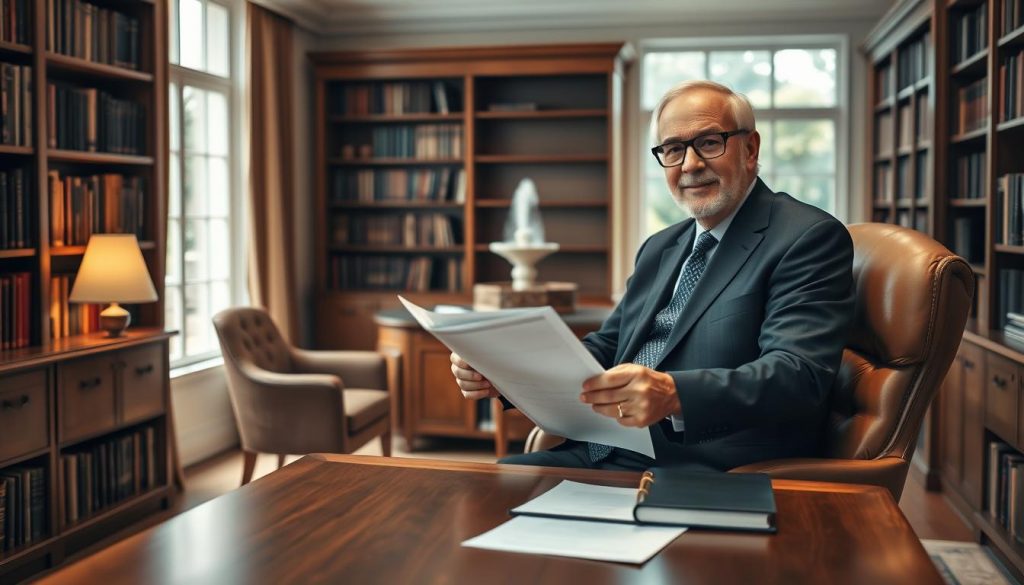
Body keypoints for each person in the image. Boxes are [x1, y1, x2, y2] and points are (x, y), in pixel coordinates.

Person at [450, 80, 855, 471]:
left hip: (707, 468)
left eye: (709, 143)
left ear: (750, 148)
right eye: (674, 149)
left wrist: (675, 394)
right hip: (603, 448)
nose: (691, 165)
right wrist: (506, 372)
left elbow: (798, 375)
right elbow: (608, 348)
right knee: (493, 488)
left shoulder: (806, 237)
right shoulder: (661, 246)